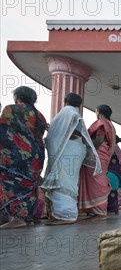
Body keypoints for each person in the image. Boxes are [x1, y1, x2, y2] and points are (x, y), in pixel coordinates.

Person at [42, 93, 101, 224]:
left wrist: (53, 131)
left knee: (64, 182)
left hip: (68, 151)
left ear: (65, 101)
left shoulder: (67, 113)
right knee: (67, 181)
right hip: (73, 150)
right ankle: (62, 214)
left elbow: (71, 133)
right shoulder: (73, 113)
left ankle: (67, 215)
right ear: (80, 104)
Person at [0, 86, 47, 229]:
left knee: (12, 184)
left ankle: (18, 218)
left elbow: (3, 130)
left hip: (15, 155)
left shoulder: (11, 110)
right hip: (36, 156)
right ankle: (27, 217)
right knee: (29, 186)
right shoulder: (40, 115)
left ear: (17, 96)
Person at [78, 104, 116, 220]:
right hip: (104, 154)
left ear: (99, 111)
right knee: (98, 178)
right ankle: (96, 210)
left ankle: (99, 212)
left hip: (98, 154)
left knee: (96, 179)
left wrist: (90, 151)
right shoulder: (110, 125)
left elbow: (99, 139)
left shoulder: (102, 123)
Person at [107, 136, 121, 215]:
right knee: (114, 191)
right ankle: (114, 208)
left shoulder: (112, 148)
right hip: (117, 172)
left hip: (112, 171)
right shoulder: (117, 148)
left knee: (111, 190)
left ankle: (111, 208)